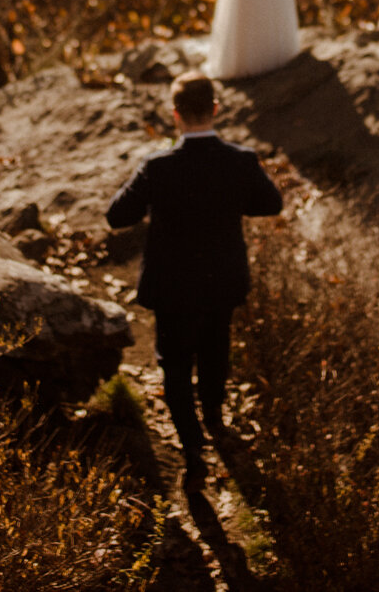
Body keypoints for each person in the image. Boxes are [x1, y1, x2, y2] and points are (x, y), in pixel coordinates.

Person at [105, 74, 283, 480]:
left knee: (175, 364)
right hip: (222, 279)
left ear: (175, 115)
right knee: (215, 351)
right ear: (216, 109)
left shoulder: (157, 166)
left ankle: (191, 447)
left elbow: (117, 215)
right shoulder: (241, 160)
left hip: (172, 285)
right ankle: (216, 421)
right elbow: (271, 204)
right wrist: (230, 206)